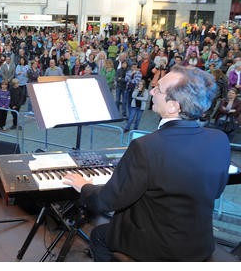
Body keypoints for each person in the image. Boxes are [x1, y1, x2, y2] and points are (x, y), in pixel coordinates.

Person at [63, 65, 231, 261]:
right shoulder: (219, 139)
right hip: (198, 243)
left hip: (159, 249)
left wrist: (85, 186)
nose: (151, 91)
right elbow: (215, 190)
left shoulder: (146, 147)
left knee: (99, 235)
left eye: (158, 89)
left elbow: (106, 201)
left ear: (173, 106)